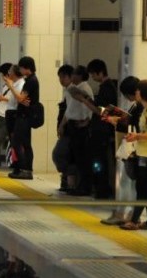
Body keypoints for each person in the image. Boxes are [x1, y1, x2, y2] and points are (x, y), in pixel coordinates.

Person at [119, 79, 147, 231]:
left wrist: (137, 136)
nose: (136, 92)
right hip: (142, 154)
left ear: (143, 93)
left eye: (138, 91)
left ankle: (134, 220)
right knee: (146, 189)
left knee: (143, 189)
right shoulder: (143, 109)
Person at [100, 76, 141, 225]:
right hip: (134, 148)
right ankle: (124, 213)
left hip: (134, 149)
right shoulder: (137, 106)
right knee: (127, 182)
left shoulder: (140, 107)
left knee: (128, 183)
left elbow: (132, 123)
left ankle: (126, 214)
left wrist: (115, 120)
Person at [59, 66, 95, 196]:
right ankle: (75, 185)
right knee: (75, 158)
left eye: (74, 74)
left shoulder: (84, 89)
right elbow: (69, 110)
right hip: (73, 126)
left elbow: (91, 107)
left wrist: (86, 121)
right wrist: (63, 125)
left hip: (81, 127)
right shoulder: (73, 89)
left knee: (82, 159)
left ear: (80, 76)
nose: (72, 77)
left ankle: (84, 187)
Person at [87, 59, 118, 199]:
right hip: (102, 131)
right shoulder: (107, 86)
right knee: (100, 161)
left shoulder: (107, 88)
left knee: (99, 161)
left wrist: (85, 101)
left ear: (100, 72)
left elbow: (102, 111)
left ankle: (102, 189)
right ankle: (101, 188)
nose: (92, 78)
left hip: (102, 132)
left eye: (93, 75)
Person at [6, 56, 39, 180]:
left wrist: (11, 86)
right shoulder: (30, 79)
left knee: (20, 142)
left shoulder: (31, 81)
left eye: (21, 67)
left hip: (25, 116)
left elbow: (20, 98)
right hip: (24, 115)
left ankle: (25, 169)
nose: (19, 70)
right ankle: (24, 169)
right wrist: (21, 99)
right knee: (22, 143)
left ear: (27, 68)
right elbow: (22, 99)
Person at [51, 65, 74, 191]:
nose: (60, 80)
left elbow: (69, 111)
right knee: (63, 155)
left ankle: (69, 181)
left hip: (71, 129)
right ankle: (67, 180)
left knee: (59, 154)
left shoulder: (72, 91)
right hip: (68, 129)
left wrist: (62, 125)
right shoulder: (67, 91)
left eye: (62, 77)